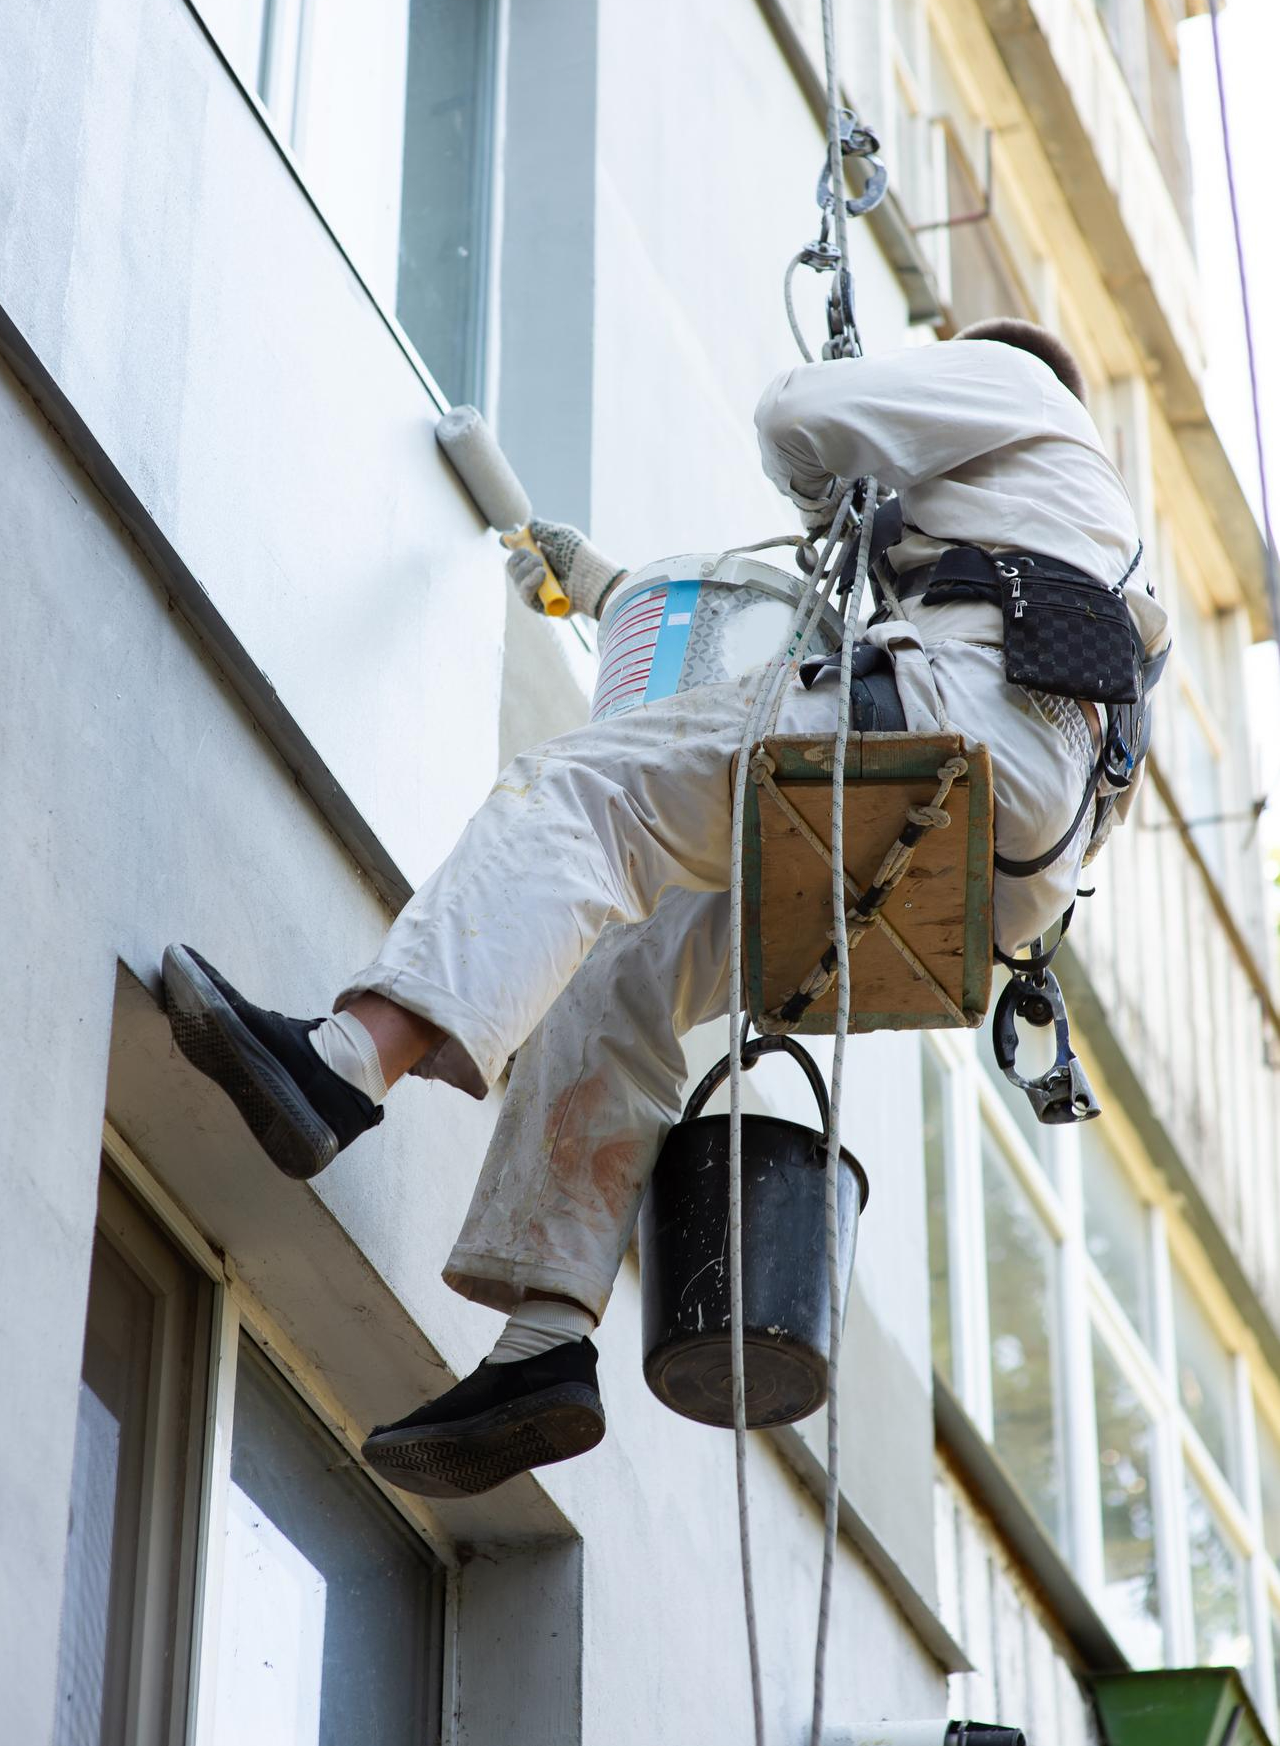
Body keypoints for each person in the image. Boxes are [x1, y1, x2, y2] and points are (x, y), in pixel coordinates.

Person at [163, 317, 1169, 1498]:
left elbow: (796, 411)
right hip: (990, 872)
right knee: (622, 957)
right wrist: (604, 587)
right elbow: (786, 660)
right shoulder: (1077, 545)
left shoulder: (1017, 386)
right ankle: (546, 1341)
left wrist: (830, 473)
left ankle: (341, 1064)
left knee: (582, 786)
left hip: (954, 736)